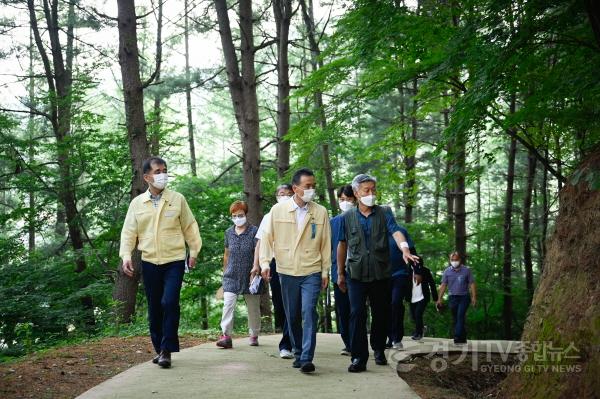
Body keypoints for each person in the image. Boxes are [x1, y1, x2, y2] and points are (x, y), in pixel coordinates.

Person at [119, 157, 202, 368]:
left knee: (169, 302)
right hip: (149, 261)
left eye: (164, 170)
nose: (162, 174)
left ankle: (167, 350)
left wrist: (193, 250)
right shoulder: (137, 204)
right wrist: (126, 256)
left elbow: (190, 226)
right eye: (157, 171)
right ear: (147, 177)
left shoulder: (177, 199)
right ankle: (159, 348)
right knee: (155, 307)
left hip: (174, 260)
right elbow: (129, 232)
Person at [337, 174, 420, 373]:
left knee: (381, 313)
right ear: (356, 193)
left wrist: (405, 248)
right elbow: (342, 245)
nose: (371, 194)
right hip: (355, 274)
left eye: (374, 190)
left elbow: (396, 231)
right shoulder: (346, 217)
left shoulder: (384, 212)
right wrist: (340, 273)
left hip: (381, 273)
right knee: (357, 313)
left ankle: (378, 349)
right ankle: (359, 357)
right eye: (367, 190)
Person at [259, 168, 331, 373]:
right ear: (295, 188)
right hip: (286, 270)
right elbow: (266, 238)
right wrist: (264, 263)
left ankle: (307, 357)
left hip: (312, 269)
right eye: (307, 186)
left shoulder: (320, 211)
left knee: (309, 311)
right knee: (291, 315)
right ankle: (298, 352)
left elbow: (325, 243)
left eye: (314, 186)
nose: (311, 190)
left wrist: (325, 271)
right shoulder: (277, 210)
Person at [254, 184, 295, 359]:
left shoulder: (301, 213)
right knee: (281, 304)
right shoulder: (269, 216)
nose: (283, 196)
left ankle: (288, 343)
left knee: (296, 305)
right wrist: (258, 265)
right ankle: (289, 340)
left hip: (298, 263)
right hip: (275, 264)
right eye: (280, 194)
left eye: (287, 193)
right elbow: (262, 242)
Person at [216, 200, 262, 349]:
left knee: (253, 307)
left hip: (250, 275)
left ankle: (254, 334)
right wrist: (224, 274)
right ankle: (226, 335)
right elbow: (226, 254)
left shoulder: (255, 231)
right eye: (234, 215)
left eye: (240, 215)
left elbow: (258, 251)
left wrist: (257, 269)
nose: (237, 218)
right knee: (228, 305)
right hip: (231, 276)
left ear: (246, 214)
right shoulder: (228, 232)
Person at [330, 185, 355, 356]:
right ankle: (348, 342)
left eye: (348, 199)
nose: (345, 202)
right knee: (343, 309)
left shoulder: (361, 218)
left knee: (357, 309)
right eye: (341, 199)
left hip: (359, 272)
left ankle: (357, 341)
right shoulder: (333, 222)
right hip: (337, 270)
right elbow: (328, 247)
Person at [387, 227, 422, 350]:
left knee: (396, 303)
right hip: (381, 276)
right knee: (385, 307)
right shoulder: (376, 229)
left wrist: (417, 271)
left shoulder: (401, 231)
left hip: (400, 273)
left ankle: (396, 339)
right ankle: (389, 337)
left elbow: (412, 251)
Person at [436, 252, 477, 344]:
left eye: (456, 260)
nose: (454, 262)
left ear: (460, 260)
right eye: (452, 260)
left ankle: (457, 337)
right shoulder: (447, 271)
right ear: (450, 260)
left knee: (460, 316)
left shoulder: (467, 270)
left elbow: (472, 284)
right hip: (452, 297)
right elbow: (443, 285)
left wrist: (474, 297)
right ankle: (463, 337)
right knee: (456, 318)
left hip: (464, 297)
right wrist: (439, 298)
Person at [409, 265, 438, 341]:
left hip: (423, 297)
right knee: (413, 316)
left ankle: (418, 333)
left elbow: (432, 283)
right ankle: (421, 328)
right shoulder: (407, 270)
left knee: (418, 314)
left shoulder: (425, 270)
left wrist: (435, 298)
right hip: (412, 297)